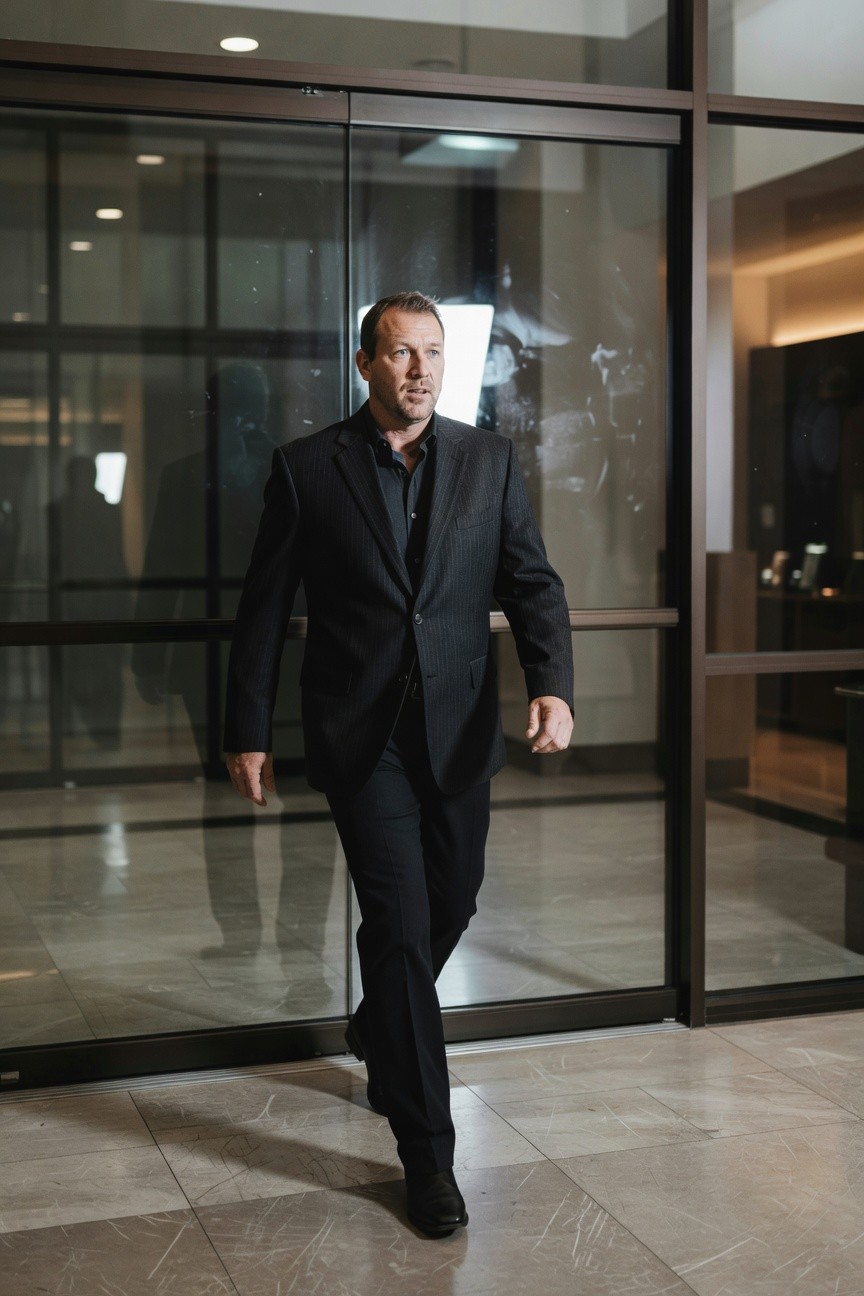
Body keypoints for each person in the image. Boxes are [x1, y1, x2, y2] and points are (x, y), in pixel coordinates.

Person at [224, 290, 574, 1236]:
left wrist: (553, 683)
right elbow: (264, 609)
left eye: (433, 352)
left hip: (459, 732)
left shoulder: (489, 460)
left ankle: (381, 1022)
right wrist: (245, 728)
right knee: (404, 924)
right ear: (366, 364)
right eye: (402, 353)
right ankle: (428, 1155)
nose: (420, 369)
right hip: (360, 736)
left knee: (450, 899)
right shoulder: (307, 470)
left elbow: (532, 580)